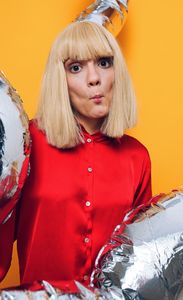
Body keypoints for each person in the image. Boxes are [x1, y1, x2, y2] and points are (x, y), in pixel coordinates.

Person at [0, 21, 152, 287]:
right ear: (60, 80)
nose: (94, 78)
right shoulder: (28, 143)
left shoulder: (136, 157)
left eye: (104, 63)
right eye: (76, 67)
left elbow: (140, 259)